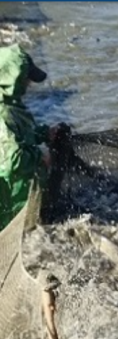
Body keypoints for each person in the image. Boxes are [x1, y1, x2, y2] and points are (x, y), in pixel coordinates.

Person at [0, 44, 65, 230]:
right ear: (12, 80)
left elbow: (20, 134)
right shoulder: (3, 115)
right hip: (10, 202)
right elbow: (13, 161)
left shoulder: (11, 107)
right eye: (26, 80)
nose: (29, 84)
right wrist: (40, 158)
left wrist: (44, 133)